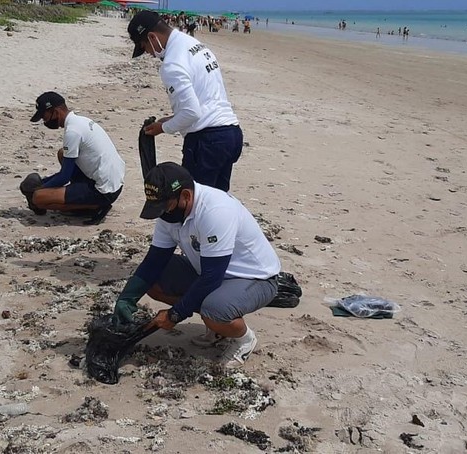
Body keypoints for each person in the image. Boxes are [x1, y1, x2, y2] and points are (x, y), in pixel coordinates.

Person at [112, 162, 281, 368]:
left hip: (255, 278)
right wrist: (126, 298)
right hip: (210, 271)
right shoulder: (169, 214)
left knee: (214, 308)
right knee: (155, 280)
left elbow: (212, 277)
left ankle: (244, 339)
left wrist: (175, 314)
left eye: (166, 206)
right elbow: (154, 261)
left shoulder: (215, 211)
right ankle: (216, 326)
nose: (163, 213)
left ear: (186, 196)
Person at [128, 11, 244, 192]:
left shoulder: (172, 64)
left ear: (152, 37)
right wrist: (173, 118)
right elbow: (202, 100)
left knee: (194, 202)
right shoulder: (193, 44)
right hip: (230, 133)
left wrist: (163, 128)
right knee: (217, 200)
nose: (150, 54)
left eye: (145, 47)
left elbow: (192, 113)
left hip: (207, 141)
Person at [20, 92, 125, 225]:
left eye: (44, 117)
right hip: (113, 181)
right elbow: (65, 172)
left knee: (38, 198)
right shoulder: (81, 121)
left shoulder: (72, 132)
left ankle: (94, 206)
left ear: (56, 112)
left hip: (104, 191)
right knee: (62, 154)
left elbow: (64, 177)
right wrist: (44, 182)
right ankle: (82, 199)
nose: (44, 121)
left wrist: (39, 188)